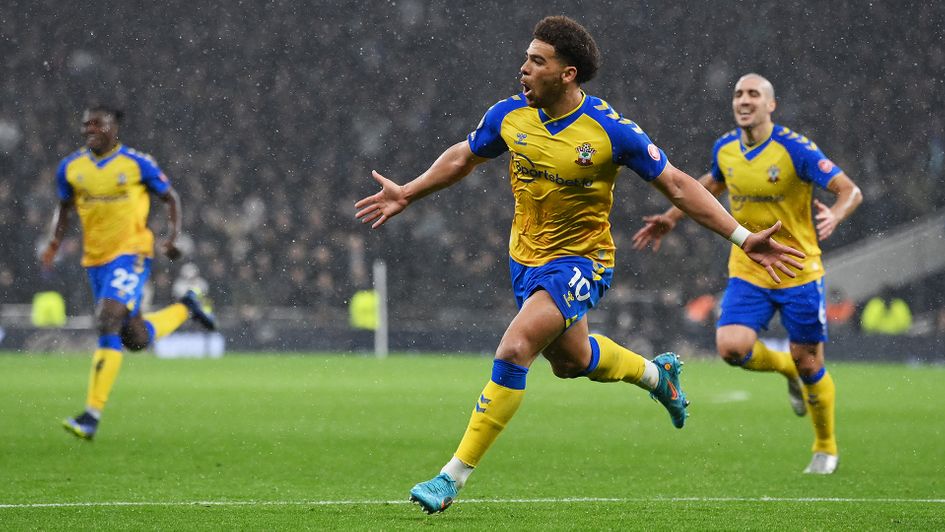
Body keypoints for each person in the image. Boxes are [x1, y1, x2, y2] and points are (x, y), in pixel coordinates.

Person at [355, 17, 804, 514]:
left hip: (582, 262)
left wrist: (742, 237)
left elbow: (677, 184)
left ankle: (451, 477)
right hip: (525, 259)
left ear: (567, 74)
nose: (523, 68)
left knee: (515, 348)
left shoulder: (610, 131)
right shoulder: (509, 116)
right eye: (526, 58)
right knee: (571, 363)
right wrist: (408, 193)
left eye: (536, 61)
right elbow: (464, 157)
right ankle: (659, 378)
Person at [633, 73, 863, 475]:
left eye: (754, 94)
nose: (744, 100)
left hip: (798, 269)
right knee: (732, 348)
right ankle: (786, 369)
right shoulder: (726, 148)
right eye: (739, 93)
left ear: (770, 105)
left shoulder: (795, 149)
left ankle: (825, 447)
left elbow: (850, 190)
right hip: (749, 267)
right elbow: (707, 185)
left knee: (811, 363)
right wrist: (671, 217)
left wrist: (836, 214)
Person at [41, 104, 217, 441]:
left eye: (96, 123)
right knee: (133, 338)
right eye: (85, 124)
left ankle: (91, 415)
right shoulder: (71, 168)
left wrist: (172, 237)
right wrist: (54, 242)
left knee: (107, 319)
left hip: (132, 254)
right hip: (95, 261)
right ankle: (188, 307)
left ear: (113, 128)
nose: (89, 129)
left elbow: (171, 197)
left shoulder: (137, 163)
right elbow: (63, 209)